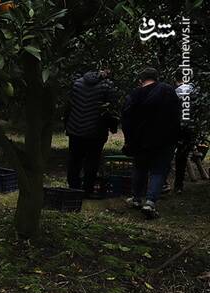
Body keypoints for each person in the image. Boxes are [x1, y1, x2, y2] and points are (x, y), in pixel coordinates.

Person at [121, 67, 181, 219]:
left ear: (141, 80)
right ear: (157, 78)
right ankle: (150, 202)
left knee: (140, 168)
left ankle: (136, 198)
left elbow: (127, 119)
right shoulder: (167, 91)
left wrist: (129, 140)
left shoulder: (135, 94)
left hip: (141, 140)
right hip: (165, 139)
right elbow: (177, 114)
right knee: (159, 171)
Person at [64, 69, 117, 197]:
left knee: (74, 160)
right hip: (96, 131)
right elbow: (109, 110)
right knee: (92, 161)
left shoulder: (77, 83)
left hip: (75, 129)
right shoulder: (107, 86)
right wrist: (112, 126)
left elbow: (69, 106)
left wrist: (67, 125)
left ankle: (73, 188)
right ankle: (87, 190)